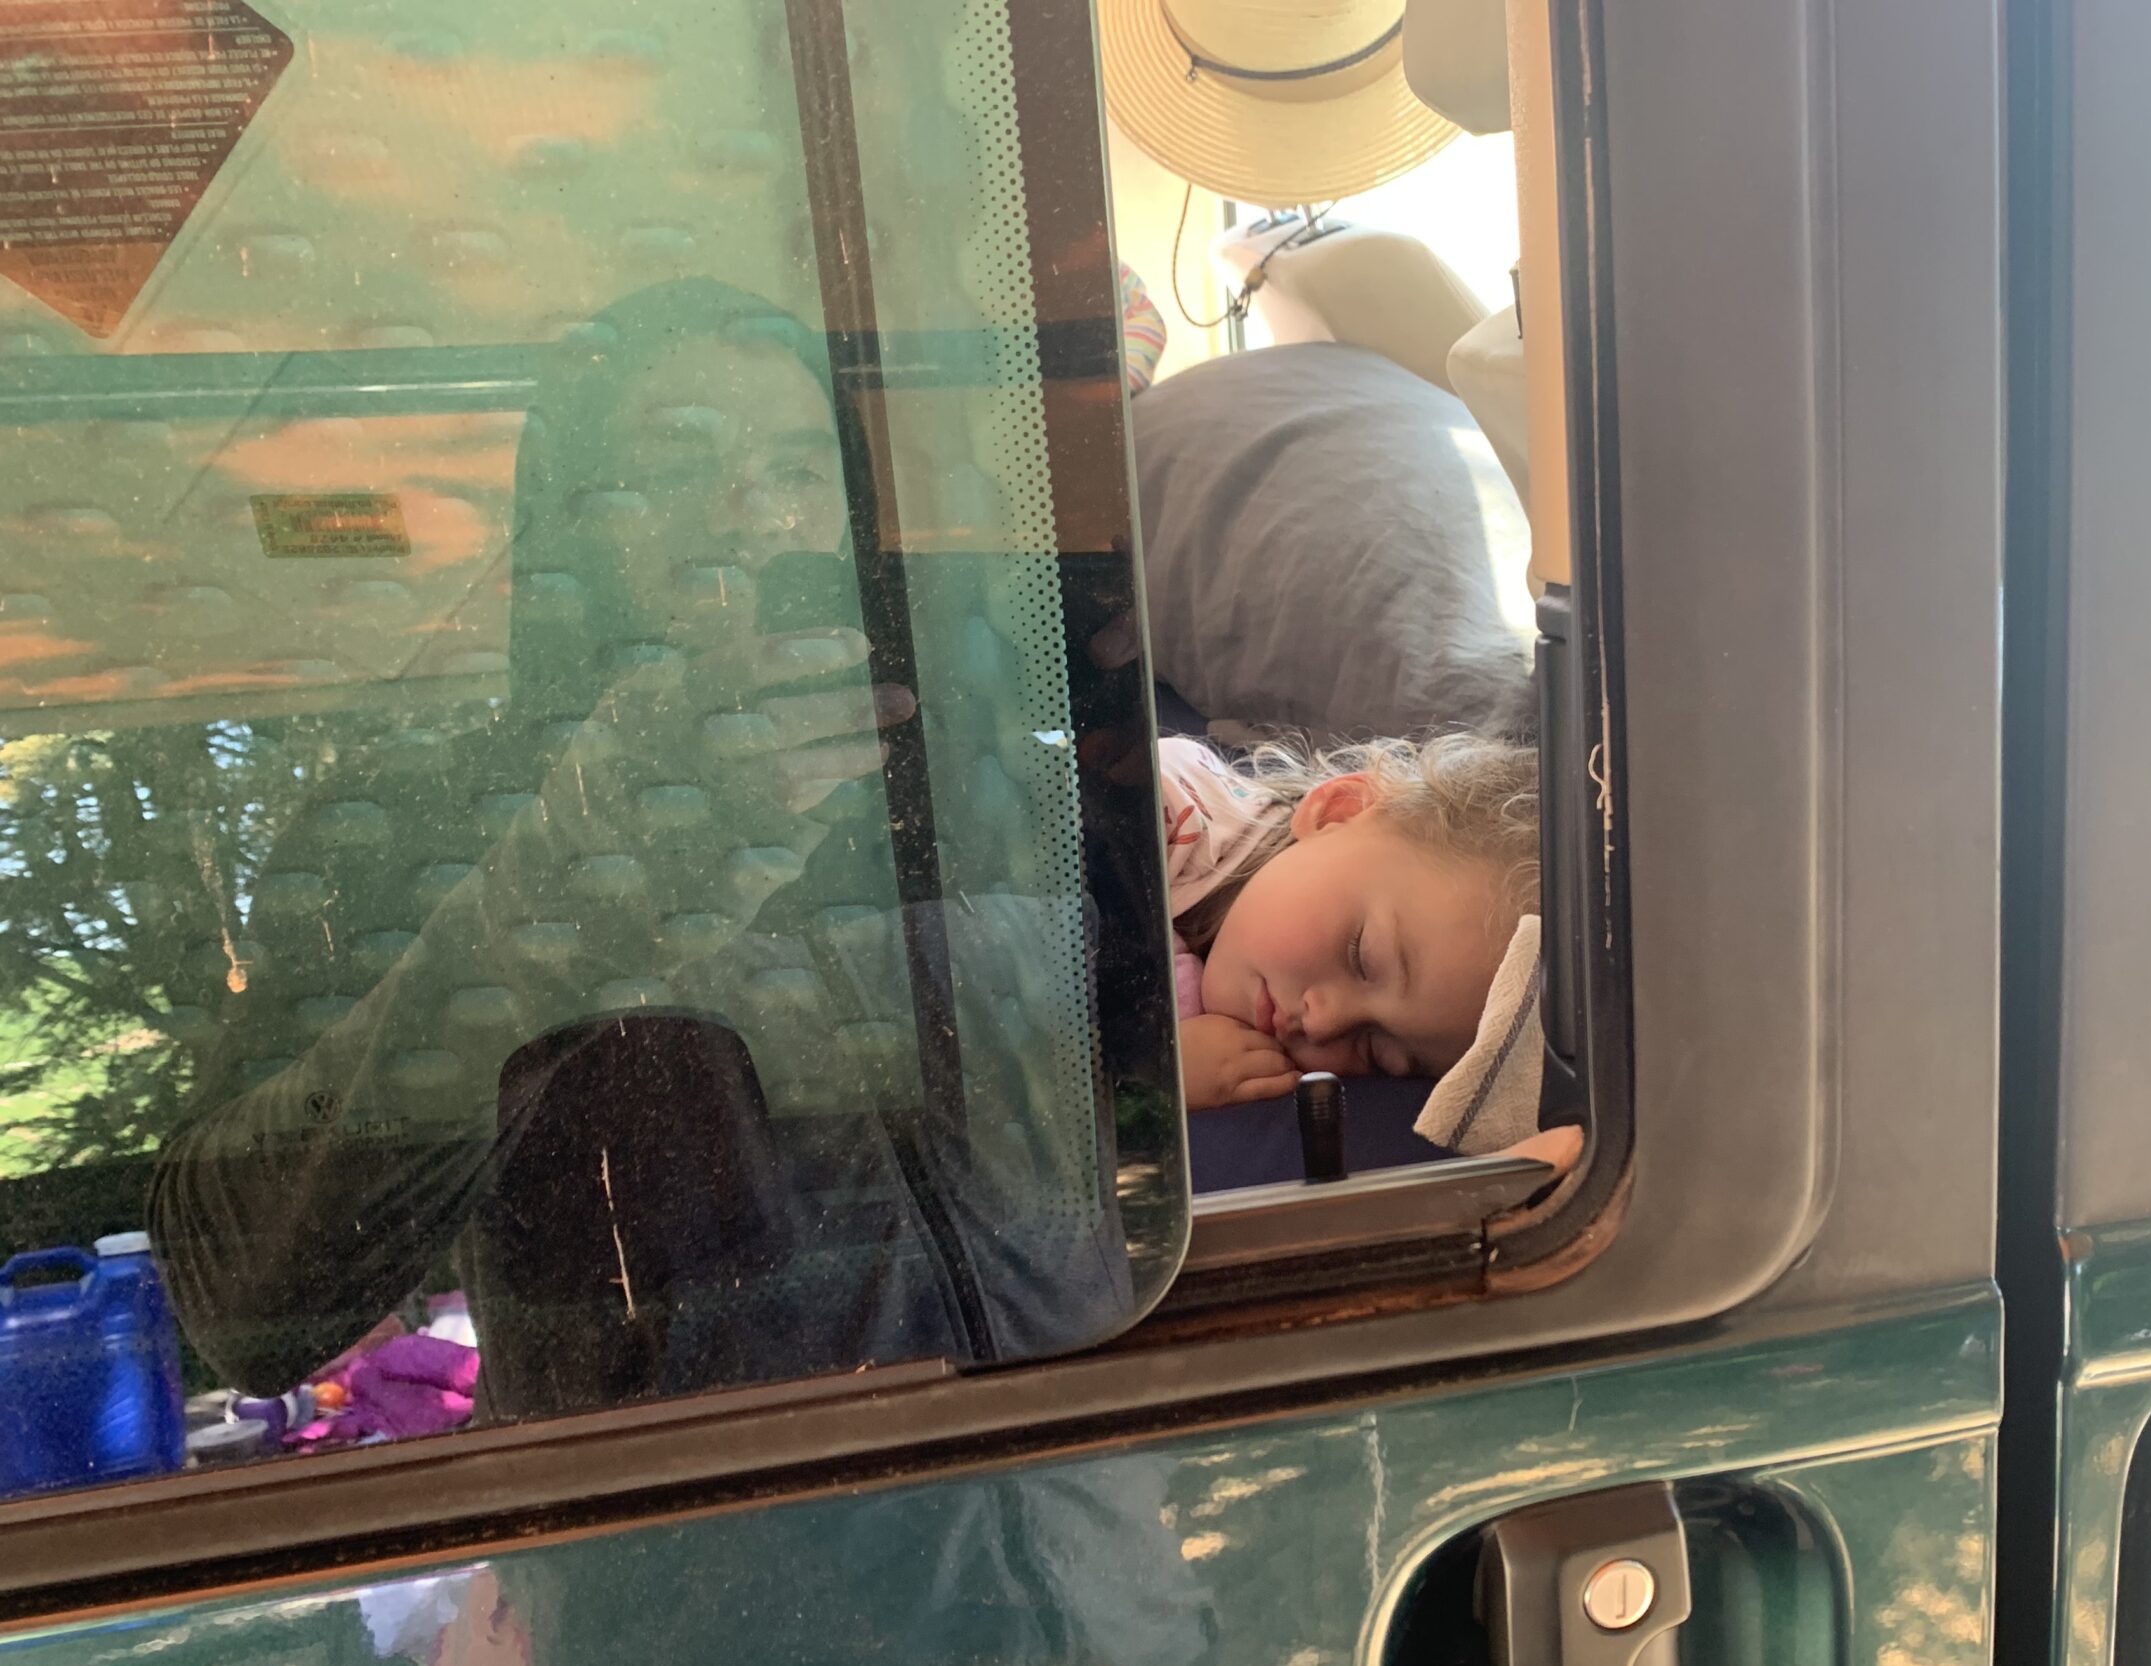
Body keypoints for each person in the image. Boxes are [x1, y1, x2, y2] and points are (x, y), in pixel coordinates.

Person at [148, 278, 1150, 1417]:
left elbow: (1165, 1071)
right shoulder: (418, 816)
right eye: (676, 469)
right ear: (570, 521)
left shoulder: (975, 774)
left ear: (848, 510)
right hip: (684, 1512)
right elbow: (237, 1299)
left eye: (797, 470)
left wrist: (1131, 732)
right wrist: (600, 854)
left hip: (1073, 1474)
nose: (752, 514)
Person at [1157, 731, 1539, 1111]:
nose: (1323, 1024)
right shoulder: (1165, 805)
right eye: (1360, 955)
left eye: (1375, 1051)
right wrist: (1151, 1078)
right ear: (1337, 812)